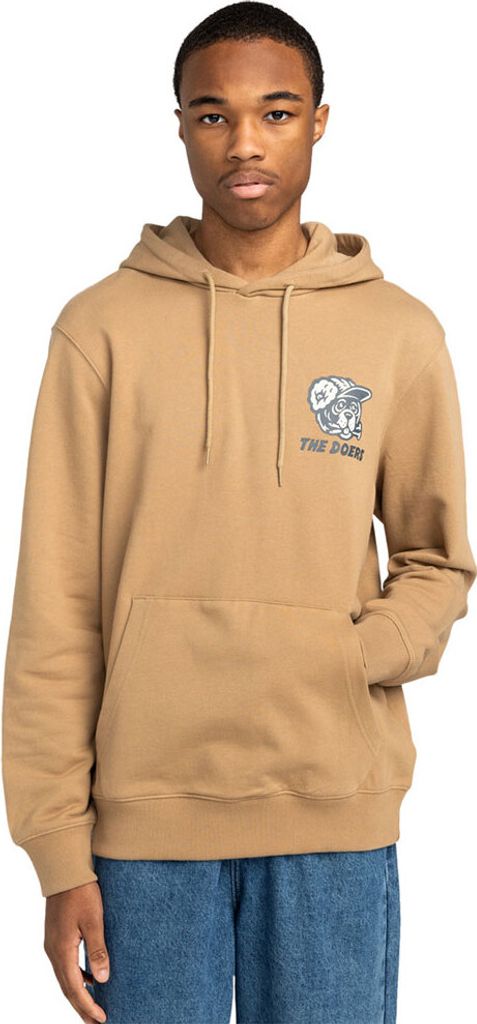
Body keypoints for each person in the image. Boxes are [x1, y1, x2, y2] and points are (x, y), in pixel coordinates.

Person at [2, 2, 476, 1022]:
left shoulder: (398, 333)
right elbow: (55, 603)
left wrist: (349, 655)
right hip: (142, 828)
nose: (245, 143)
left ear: (319, 122)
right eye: (213, 115)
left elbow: (437, 559)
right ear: (179, 126)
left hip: (333, 815)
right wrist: (56, 849)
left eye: (277, 112)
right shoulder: (100, 330)